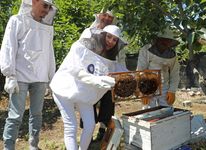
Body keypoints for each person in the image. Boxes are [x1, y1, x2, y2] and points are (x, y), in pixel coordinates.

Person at [49, 25, 127, 150]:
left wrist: (139, 76)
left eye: (114, 40)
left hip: (83, 95)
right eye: (109, 37)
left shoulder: (111, 60)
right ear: (102, 35)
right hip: (64, 89)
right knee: (71, 126)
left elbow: (123, 72)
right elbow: (74, 69)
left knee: (90, 126)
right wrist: (96, 80)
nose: (111, 41)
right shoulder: (80, 46)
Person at [0, 0, 57, 149]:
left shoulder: (47, 27)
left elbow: (49, 53)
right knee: (15, 116)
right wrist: (10, 75)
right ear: (34, 1)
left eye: (49, 7)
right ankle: (8, 147)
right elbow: (8, 47)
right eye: (45, 5)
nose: (47, 10)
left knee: (37, 114)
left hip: (40, 78)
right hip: (19, 77)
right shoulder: (16, 21)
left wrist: (51, 77)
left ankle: (33, 146)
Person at [79, 8, 127, 142]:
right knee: (89, 105)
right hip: (90, 76)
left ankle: (102, 131)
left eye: (110, 17)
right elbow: (80, 54)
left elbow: (120, 58)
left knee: (107, 105)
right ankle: (87, 135)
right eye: (105, 15)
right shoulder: (88, 32)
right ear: (99, 16)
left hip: (109, 77)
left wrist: (121, 74)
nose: (107, 18)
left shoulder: (116, 36)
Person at [136, 27, 180, 109]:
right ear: (158, 39)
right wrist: (143, 91)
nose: (166, 42)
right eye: (164, 39)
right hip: (148, 86)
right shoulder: (146, 50)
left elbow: (174, 73)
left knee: (166, 112)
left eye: (168, 40)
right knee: (148, 112)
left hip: (165, 88)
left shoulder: (172, 55)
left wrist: (172, 91)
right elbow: (140, 71)